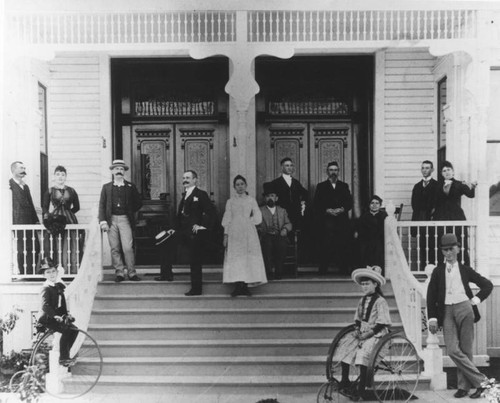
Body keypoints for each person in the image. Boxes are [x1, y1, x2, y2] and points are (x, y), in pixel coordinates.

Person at [427, 233, 492, 399]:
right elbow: (431, 296)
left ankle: (464, 387)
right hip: (446, 310)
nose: (448, 253)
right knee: (452, 349)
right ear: (442, 251)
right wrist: (432, 318)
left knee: (466, 349)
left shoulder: (465, 269)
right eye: (445, 250)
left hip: (465, 308)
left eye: (451, 249)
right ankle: (483, 382)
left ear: (458, 249)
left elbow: (487, 285)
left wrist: (475, 300)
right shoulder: (438, 271)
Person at [156, 170, 216, 296]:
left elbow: (211, 212)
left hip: (195, 234)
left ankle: (196, 289)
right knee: (165, 241)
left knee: (195, 260)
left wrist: (202, 226)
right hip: (182, 232)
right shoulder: (185, 195)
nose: (185, 180)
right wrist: (173, 228)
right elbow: (180, 216)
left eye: (188, 178)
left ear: (195, 180)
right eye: (184, 178)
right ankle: (166, 274)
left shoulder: (201, 194)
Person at [336, 265, 391, 401]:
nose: (364, 287)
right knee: (346, 347)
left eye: (367, 284)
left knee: (363, 354)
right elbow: (358, 319)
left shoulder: (380, 301)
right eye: (363, 284)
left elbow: (382, 322)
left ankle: (362, 390)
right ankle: (345, 381)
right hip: (363, 333)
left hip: (378, 334)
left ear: (375, 284)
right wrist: (357, 329)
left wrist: (368, 334)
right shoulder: (362, 300)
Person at [222, 175, 267, 296]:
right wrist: (226, 235)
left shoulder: (251, 200)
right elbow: (227, 218)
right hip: (234, 232)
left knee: (247, 257)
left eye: (242, 184)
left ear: (246, 185)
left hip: (248, 232)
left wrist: (249, 221)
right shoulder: (230, 201)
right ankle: (238, 286)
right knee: (236, 258)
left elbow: (258, 216)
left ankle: (245, 286)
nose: (240, 187)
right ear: (234, 187)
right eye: (237, 185)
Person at [99, 159, 142, 282]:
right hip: (111, 219)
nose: (119, 171)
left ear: (124, 172)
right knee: (115, 248)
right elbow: (102, 205)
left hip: (125, 219)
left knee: (127, 247)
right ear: (112, 171)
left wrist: (129, 210)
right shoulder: (106, 187)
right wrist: (103, 221)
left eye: (121, 169)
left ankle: (132, 272)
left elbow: (138, 203)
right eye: (117, 169)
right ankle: (119, 273)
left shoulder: (130, 187)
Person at [37, 257, 79, 367]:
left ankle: (65, 353)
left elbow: (62, 303)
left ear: (56, 272)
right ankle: (63, 358)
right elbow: (45, 306)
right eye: (48, 272)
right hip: (48, 318)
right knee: (66, 330)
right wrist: (55, 315)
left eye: (53, 271)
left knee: (74, 330)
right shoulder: (46, 288)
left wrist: (66, 314)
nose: (51, 274)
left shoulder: (57, 285)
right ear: (44, 275)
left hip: (57, 316)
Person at [433, 161, 477, 266]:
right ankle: (441, 268)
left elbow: (470, 195)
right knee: (441, 242)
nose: (446, 172)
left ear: (453, 172)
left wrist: (473, 186)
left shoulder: (459, 184)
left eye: (448, 169)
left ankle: (464, 268)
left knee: (460, 242)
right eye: (444, 170)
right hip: (441, 217)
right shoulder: (438, 186)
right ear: (441, 173)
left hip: (456, 216)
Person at [313, 161, 353, 275]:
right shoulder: (321, 186)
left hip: (341, 221)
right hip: (326, 221)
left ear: (338, 172)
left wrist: (342, 209)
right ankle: (323, 270)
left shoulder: (344, 186)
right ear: (327, 172)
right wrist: (327, 210)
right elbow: (316, 204)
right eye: (331, 170)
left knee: (342, 245)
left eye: (335, 170)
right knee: (325, 245)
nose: (333, 172)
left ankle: (343, 270)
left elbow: (349, 202)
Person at [42, 166, 81, 273]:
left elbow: (77, 206)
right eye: (58, 174)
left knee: (70, 242)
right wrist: (48, 216)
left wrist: (69, 214)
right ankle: (56, 268)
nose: (60, 177)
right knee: (55, 243)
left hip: (70, 220)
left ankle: (71, 269)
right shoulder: (50, 191)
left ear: (66, 177)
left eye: (63, 175)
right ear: (54, 176)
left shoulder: (71, 190)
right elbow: (45, 207)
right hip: (55, 219)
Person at [9, 161, 40, 275]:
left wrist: (36, 220)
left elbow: (31, 204)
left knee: (34, 247)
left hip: (30, 223)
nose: (24, 170)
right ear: (14, 170)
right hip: (18, 222)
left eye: (24, 168)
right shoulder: (9, 185)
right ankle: (23, 273)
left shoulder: (25, 186)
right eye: (21, 168)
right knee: (21, 249)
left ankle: (31, 272)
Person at [257, 182, 292, 280]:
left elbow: (288, 223)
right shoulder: (259, 210)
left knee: (282, 244)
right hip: (265, 235)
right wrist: (262, 230)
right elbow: (255, 224)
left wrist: (285, 229)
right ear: (265, 198)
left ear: (276, 198)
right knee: (267, 245)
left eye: (272, 196)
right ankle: (268, 272)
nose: (270, 198)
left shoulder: (282, 211)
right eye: (268, 196)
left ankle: (279, 271)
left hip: (279, 235)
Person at [411, 160, 439, 268]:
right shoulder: (417, 186)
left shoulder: (437, 185)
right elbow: (414, 204)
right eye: (423, 168)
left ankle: (433, 270)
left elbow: (438, 203)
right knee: (422, 245)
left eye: (427, 168)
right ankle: (423, 270)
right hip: (420, 218)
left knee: (433, 245)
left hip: (432, 219)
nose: (424, 170)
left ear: (432, 170)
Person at [270, 157, 308, 231]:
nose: (290, 168)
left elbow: (305, 193)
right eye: (287, 165)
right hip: (281, 215)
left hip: (295, 214)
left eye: (291, 165)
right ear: (282, 167)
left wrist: (303, 202)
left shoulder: (296, 182)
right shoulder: (275, 183)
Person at [354, 195, 388, 273]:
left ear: (380, 205)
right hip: (366, 239)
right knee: (363, 245)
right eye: (372, 203)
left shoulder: (384, 216)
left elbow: (385, 230)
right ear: (369, 205)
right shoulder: (364, 216)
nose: (374, 205)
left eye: (377, 203)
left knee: (377, 245)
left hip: (379, 239)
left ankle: (377, 268)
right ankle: (366, 267)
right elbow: (360, 230)